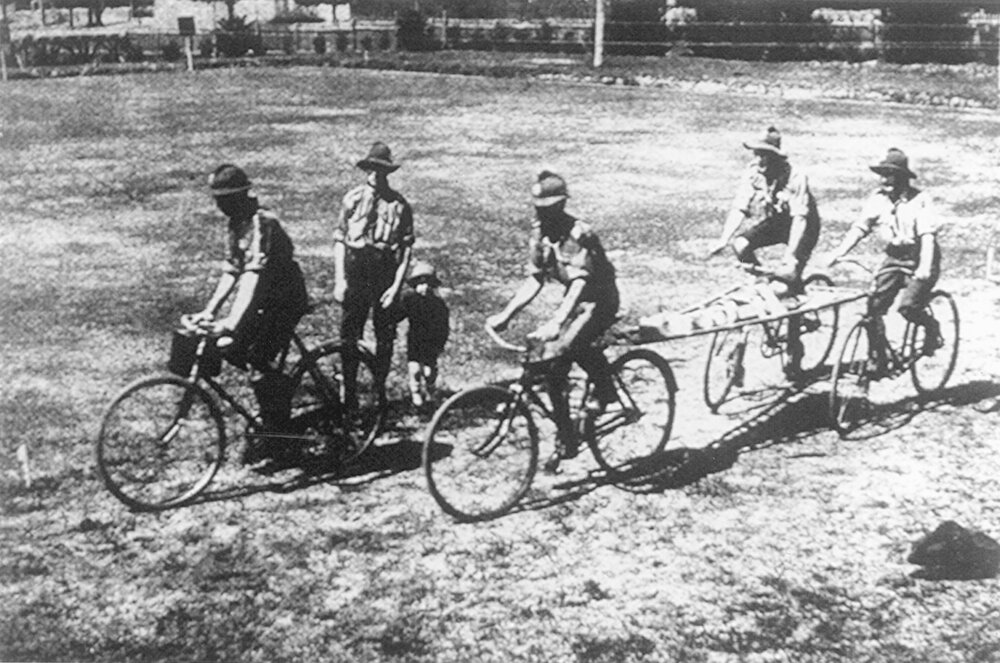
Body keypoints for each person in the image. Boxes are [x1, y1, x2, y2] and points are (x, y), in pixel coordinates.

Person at [487, 170, 620, 473]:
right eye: (538, 207)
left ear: (561, 206)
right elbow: (534, 279)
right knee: (553, 372)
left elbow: (579, 284)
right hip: (575, 303)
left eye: (548, 208)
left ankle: (605, 389)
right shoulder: (540, 233)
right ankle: (567, 437)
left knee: (568, 345)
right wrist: (506, 315)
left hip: (600, 300)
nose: (542, 214)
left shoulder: (578, 234)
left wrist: (557, 322)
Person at [188, 164, 310, 463]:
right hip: (261, 300)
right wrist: (209, 311)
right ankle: (274, 417)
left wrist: (230, 322)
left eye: (223, 199)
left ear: (238, 196)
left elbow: (253, 277)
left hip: (284, 300)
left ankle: (282, 434)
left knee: (257, 361)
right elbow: (231, 273)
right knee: (230, 349)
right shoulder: (235, 222)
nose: (218, 205)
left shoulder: (261, 223)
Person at [826, 147, 943, 369]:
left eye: (891, 175)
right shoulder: (878, 199)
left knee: (908, 307)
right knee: (873, 309)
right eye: (882, 174)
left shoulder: (920, 200)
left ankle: (931, 329)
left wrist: (925, 267)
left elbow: (927, 237)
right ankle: (878, 357)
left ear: (903, 178)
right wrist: (839, 252)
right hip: (894, 258)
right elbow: (861, 227)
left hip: (920, 257)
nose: (885, 180)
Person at [332, 142, 414, 413]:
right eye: (372, 169)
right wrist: (340, 279)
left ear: (388, 172)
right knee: (349, 334)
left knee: (384, 335)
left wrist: (395, 287)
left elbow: (405, 252)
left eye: (382, 170)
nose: (376, 175)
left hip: (383, 274)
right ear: (366, 169)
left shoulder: (399, 205)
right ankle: (349, 389)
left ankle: (380, 389)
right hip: (356, 273)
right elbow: (340, 241)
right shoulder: (352, 199)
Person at [710, 126, 821, 292]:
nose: (760, 160)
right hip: (777, 223)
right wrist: (724, 239)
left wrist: (790, 257)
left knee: (786, 280)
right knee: (740, 244)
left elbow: (800, 219)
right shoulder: (753, 171)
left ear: (776, 157)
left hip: (803, 228)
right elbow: (740, 206)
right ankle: (763, 282)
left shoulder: (795, 177)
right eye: (757, 154)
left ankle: (794, 299)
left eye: (765, 155)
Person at [395, 260, 450, 409]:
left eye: (427, 283)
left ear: (433, 286)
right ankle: (416, 393)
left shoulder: (438, 304)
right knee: (415, 369)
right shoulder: (409, 299)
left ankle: (431, 392)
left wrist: (441, 343)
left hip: (432, 340)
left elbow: (444, 325)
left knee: (429, 370)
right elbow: (399, 314)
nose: (423, 287)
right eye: (419, 283)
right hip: (415, 338)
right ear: (414, 286)